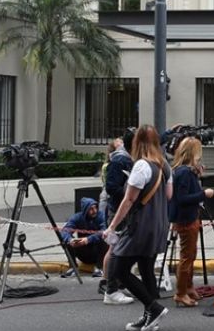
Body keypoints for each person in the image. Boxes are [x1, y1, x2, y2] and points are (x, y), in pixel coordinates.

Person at [103, 125, 172, 331]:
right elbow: (169, 195)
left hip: (140, 225)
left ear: (136, 143)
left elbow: (129, 200)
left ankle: (154, 308)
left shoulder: (141, 166)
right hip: (159, 223)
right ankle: (150, 315)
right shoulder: (164, 165)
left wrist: (112, 226)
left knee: (120, 270)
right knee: (146, 268)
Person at [169, 137, 214, 307]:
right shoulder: (184, 173)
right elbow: (182, 198)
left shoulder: (183, 171)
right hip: (186, 218)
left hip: (187, 217)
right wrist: (204, 194)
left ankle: (188, 287)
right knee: (187, 257)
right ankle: (181, 292)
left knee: (190, 254)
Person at [103, 135, 134, 304]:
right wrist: (131, 193)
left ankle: (118, 283)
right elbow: (111, 187)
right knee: (115, 249)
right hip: (118, 210)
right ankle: (110, 288)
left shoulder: (127, 159)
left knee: (121, 249)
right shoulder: (119, 161)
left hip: (124, 210)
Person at [60, 198, 108, 279]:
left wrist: (88, 239)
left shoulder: (101, 216)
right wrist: (70, 240)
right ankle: (73, 267)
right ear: (85, 210)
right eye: (91, 209)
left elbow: (104, 231)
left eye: (95, 207)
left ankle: (99, 268)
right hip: (83, 252)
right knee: (65, 241)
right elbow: (65, 231)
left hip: (97, 253)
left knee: (105, 238)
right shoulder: (77, 217)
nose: (94, 211)